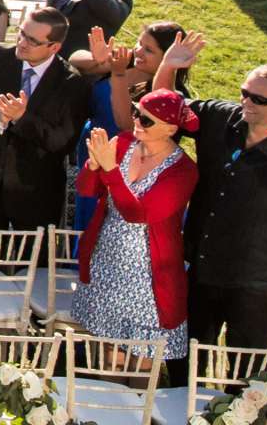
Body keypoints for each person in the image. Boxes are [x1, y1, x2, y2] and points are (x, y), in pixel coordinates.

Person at [154, 40, 267, 350]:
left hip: (260, 282)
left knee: (244, 381)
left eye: (259, 100)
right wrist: (168, 66)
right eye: (244, 93)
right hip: (205, 268)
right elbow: (165, 109)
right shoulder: (223, 119)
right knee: (184, 360)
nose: (246, 102)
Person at [74, 89, 199, 361]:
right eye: (136, 114)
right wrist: (93, 165)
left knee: (142, 358)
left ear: (169, 129)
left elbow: (138, 214)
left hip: (149, 275)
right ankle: (105, 398)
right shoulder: (125, 142)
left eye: (147, 120)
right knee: (106, 352)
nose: (137, 122)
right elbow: (85, 189)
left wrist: (109, 171)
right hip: (107, 259)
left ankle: (139, 403)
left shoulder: (183, 170)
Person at [0, 7, 89, 230]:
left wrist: (22, 118)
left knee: (31, 260)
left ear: (54, 47)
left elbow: (62, 142)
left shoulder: (71, 83)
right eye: (21, 33)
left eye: (32, 40)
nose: (22, 42)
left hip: (35, 190)